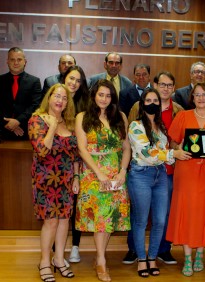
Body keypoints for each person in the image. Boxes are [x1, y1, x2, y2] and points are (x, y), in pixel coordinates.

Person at [127, 88, 189, 277]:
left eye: (155, 100)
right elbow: (147, 154)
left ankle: (152, 257)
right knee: (141, 220)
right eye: (148, 100)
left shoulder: (161, 126)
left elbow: (165, 154)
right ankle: (142, 259)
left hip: (160, 175)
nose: (152, 103)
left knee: (161, 220)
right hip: (140, 176)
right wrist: (172, 154)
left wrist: (177, 151)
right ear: (142, 103)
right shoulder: (135, 126)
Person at [167, 82, 205, 277]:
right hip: (186, 170)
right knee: (187, 210)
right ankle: (186, 257)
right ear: (192, 98)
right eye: (197, 95)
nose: (201, 98)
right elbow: (173, 142)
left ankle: (199, 254)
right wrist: (178, 150)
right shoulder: (182, 116)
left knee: (204, 210)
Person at [75, 79, 131, 282]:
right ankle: (101, 260)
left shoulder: (120, 117)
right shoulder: (82, 117)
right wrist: (99, 173)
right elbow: (82, 149)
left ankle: (100, 256)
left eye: (108, 95)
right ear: (93, 96)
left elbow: (126, 148)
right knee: (100, 219)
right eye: (101, 94)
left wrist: (123, 171)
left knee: (109, 218)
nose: (104, 99)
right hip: (93, 175)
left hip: (116, 175)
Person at [29, 83, 78, 282]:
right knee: (50, 221)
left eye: (64, 98)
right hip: (45, 179)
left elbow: (75, 155)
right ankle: (44, 262)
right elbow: (42, 150)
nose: (60, 100)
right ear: (48, 98)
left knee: (65, 220)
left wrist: (76, 177)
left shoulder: (70, 123)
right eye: (56, 96)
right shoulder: (36, 120)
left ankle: (59, 260)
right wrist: (52, 127)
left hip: (66, 179)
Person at [60, 65, 89, 264]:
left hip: (79, 161)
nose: (74, 83)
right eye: (71, 78)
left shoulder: (84, 104)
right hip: (58, 163)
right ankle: (56, 250)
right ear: (64, 78)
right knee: (59, 209)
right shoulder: (56, 98)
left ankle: (75, 247)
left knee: (76, 207)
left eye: (78, 80)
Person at [0, 47, 42, 140]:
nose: (16, 62)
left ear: (25, 61)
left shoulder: (34, 81)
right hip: (2, 130)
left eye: (19, 59)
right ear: (7, 61)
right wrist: (9, 124)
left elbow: (35, 105)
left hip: (25, 130)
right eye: (12, 59)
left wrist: (18, 121)